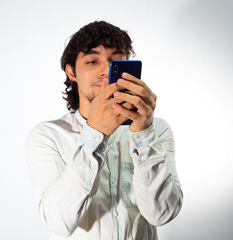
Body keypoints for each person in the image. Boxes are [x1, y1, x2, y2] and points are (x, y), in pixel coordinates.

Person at [26, 21, 183, 240]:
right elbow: (58, 223)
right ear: (72, 72)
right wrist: (95, 134)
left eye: (116, 61)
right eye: (92, 61)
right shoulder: (47, 136)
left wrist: (144, 135)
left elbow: (162, 214)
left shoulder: (156, 129)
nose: (106, 70)